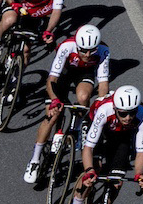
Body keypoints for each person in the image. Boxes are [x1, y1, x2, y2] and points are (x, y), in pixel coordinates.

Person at [61, 85, 143, 204]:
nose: (128, 118)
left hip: (120, 135)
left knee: (117, 181)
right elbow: (88, 147)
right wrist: (89, 171)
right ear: (116, 108)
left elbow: (141, 151)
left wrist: (139, 174)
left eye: (132, 113)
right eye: (123, 113)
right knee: (93, 169)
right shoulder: (105, 110)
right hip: (96, 126)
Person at [26, 22, 110, 185]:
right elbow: (52, 80)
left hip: (84, 73)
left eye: (91, 50)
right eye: (83, 50)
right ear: (77, 45)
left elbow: (103, 84)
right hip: (63, 74)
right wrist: (55, 100)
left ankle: (76, 128)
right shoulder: (67, 46)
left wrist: (100, 105)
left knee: (84, 97)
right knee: (52, 115)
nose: (87, 54)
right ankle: (35, 159)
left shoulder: (103, 51)